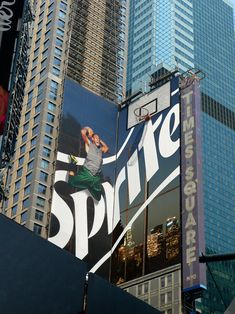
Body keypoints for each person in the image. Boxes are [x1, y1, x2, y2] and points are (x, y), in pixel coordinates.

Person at [68, 126, 109, 201]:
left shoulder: (100, 150)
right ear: (92, 139)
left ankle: (89, 186)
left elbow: (106, 148)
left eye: (98, 138)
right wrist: (88, 129)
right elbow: (83, 133)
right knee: (71, 182)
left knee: (98, 197)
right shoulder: (90, 144)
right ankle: (72, 164)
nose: (98, 139)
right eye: (96, 138)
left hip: (96, 178)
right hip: (87, 173)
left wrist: (100, 140)